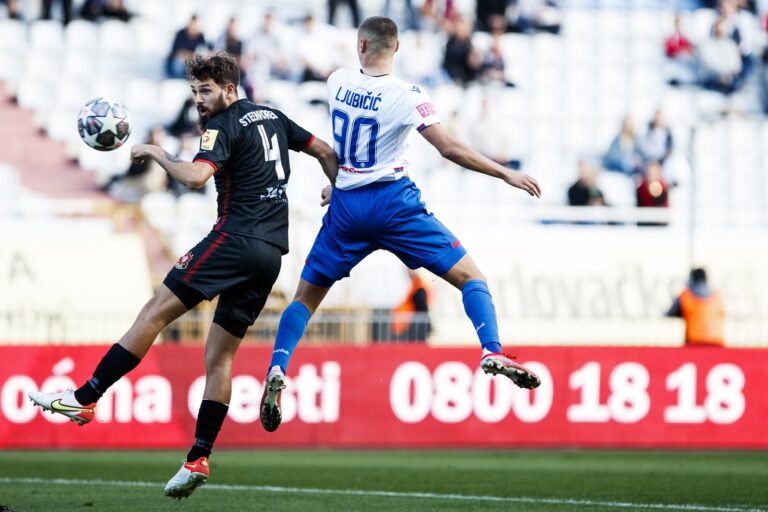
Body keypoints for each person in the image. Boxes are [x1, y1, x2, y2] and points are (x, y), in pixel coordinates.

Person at [28, 53, 338, 499]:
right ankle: (198, 456)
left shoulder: (223, 125)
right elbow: (326, 151)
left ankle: (87, 397)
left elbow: (194, 177)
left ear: (230, 90)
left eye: (206, 91)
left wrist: (157, 153)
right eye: (194, 92)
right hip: (271, 254)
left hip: (233, 239)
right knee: (220, 358)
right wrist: (340, 192)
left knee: (154, 312)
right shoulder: (274, 116)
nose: (199, 100)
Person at [259, 16, 542, 434]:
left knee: (305, 298)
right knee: (471, 278)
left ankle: (278, 366)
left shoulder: (337, 82)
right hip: (393, 203)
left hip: (348, 208)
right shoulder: (409, 95)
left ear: (360, 45)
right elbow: (449, 148)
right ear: (397, 49)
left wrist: (337, 184)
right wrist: (505, 174)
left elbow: (342, 146)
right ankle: (491, 350)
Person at [666, 268, 725, 346]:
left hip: (694, 343)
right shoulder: (718, 297)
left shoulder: (685, 296)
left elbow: (670, 313)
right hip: (717, 343)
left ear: (692, 279)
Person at [391, 269, 431, 342]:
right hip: (410, 323)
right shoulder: (415, 286)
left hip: (415, 324)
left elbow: (422, 306)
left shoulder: (419, 287)